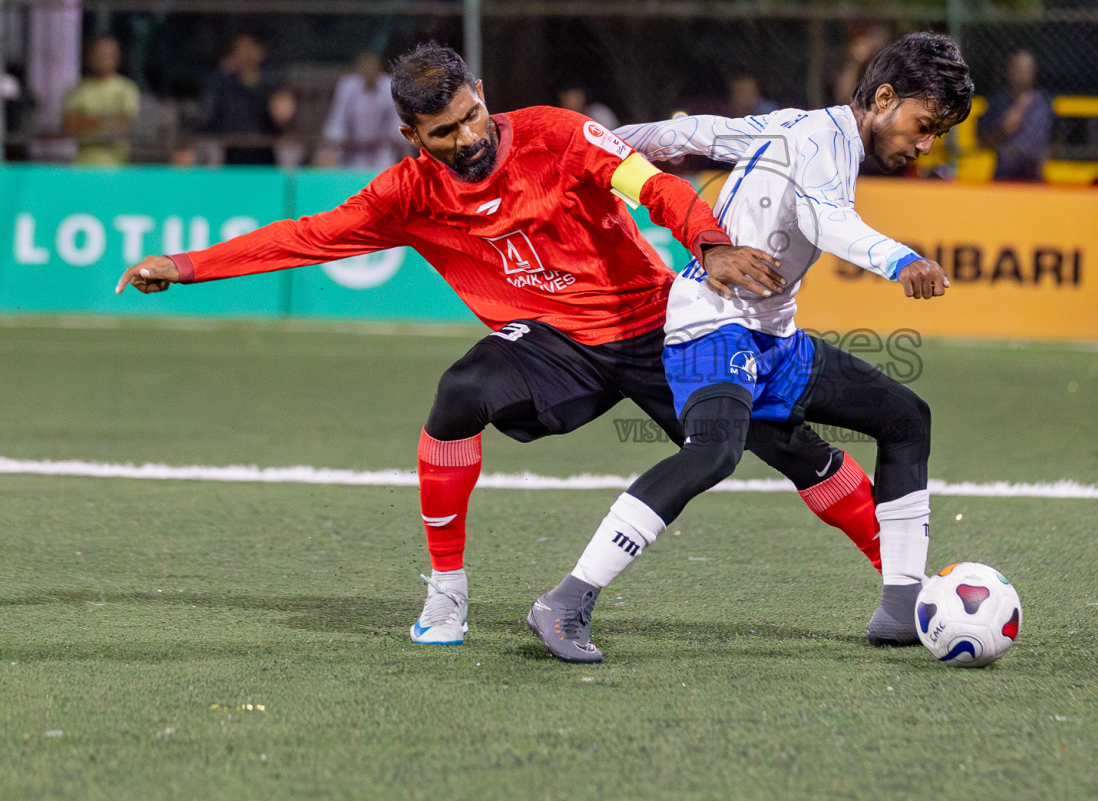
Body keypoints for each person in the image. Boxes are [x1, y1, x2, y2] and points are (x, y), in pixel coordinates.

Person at [116, 43, 883, 646]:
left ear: (480, 94)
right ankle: (447, 591)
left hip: (658, 325)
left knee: (789, 446)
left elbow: (653, 184)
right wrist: (185, 267)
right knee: (457, 396)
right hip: (552, 345)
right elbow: (305, 238)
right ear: (412, 136)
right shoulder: (407, 193)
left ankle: (904, 585)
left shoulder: (552, 133)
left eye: (470, 116)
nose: (466, 137)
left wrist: (709, 243)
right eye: (443, 132)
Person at [527, 32, 973, 663]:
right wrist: (899, 260)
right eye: (923, 126)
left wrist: (609, 143)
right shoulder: (821, 140)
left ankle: (902, 611)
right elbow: (826, 222)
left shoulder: (801, 126)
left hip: (773, 339)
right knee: (713, 453)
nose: (924, 145)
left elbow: (698, 135)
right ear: (883, 97)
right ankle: (565, 602)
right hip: (713, 321)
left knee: (905, 419)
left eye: (937, 135)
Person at [317, 51, 410, 170]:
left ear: (380, 65)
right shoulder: (347, 86)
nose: (368, 67)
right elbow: (336, 124)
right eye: (364, 63)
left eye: (372, 63)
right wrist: (331, 148)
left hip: (382, 156)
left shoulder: (391, 86)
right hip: (351, 155)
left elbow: (398, 127)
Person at [196, 32, 279, 165]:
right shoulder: (223, 84)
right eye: (240, 49)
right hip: (230, 156)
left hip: (266, 157)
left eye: (249, 48)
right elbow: (206, 118)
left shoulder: (272, 85)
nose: (245, 54)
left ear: (260, 51)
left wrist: (282, 117)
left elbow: (284, 125)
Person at [62, 35, 139, 166]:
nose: (103, 59)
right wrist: (108, 121)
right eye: (99, 55)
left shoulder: (127, 89)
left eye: (108, 55)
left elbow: (126, 123)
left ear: (117, 58)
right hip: (83, 164)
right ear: (89, 57)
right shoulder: (77, 91)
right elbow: (69, 124)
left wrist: (88, 121)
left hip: (117, 163)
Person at [979, 49, 1053, 181]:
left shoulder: (1043, 102)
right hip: (1005, 174)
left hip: (1034, 174)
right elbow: (982, 142)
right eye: (1018, 68)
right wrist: (1003, 130)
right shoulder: (998, 102)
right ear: (1009, 70)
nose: (1023, 74)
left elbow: (1056, 139)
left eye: (1027, 69)